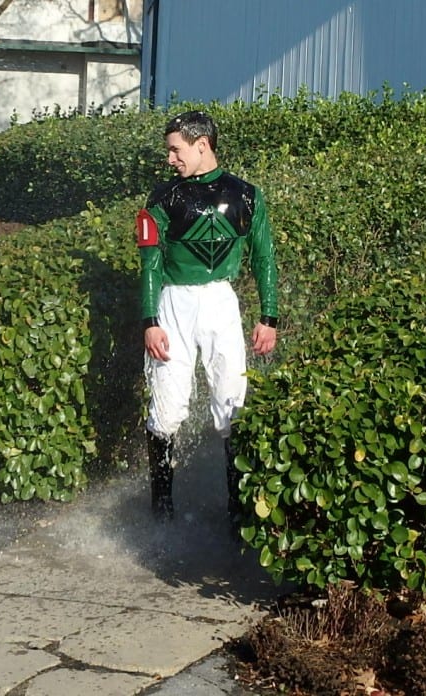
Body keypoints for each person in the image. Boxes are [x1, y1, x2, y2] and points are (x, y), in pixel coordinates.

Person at [136, 110, 279, 523]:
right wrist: (150, 322)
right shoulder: (162, 198)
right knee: (166, 406)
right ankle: (160, 512)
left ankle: (239, 514)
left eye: (175, 150)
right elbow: (150, 263)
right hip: (174, 302)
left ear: (203, 145)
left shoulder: (247, 194)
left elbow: (265, 257)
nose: (170, 159)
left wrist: (269, 317)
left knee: (232, 401)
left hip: (221, 302)